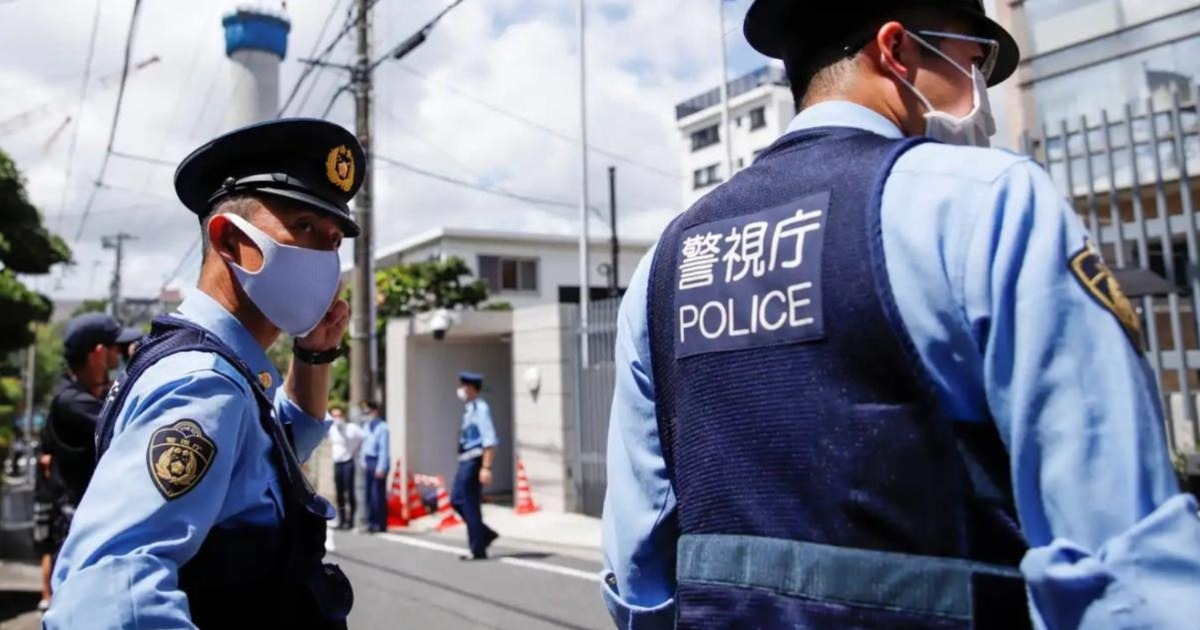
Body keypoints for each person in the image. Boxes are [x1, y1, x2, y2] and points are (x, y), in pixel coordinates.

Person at [600, 1, 1200, 628]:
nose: (979, 90)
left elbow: (637, 567)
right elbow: (1121, 556)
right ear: (898, 50)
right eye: (974, 60)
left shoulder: (666, 264)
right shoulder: (989, 205)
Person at [44, 118, 362, 629]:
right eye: (303, 227)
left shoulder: (225, 373)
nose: (324, 258)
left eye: (332, 240)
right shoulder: (203, 385)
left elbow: (270, 452)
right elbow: (108, 596)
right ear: (230, 241)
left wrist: (313, 354)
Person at [33, 313, 139, 612]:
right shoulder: (71, 401)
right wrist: (138, 366)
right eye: (115, 348)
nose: (120, 355)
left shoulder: (80, 396)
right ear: (97, 353)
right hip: (82, 523)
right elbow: (128, 425)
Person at [450, 371, 499, 560]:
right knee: (458, 500)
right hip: (465, 460)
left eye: (463, 386)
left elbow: (489, 439)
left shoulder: (480, 408)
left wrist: (486, 467)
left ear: (470, 388)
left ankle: (478, 547)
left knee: (468, 503)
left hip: (474, 460)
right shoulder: (469, 409)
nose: (461, 390)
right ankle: (483, 535)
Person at [328, 405, 364, 529]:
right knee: (339, 493)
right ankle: (342, 519)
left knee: (349, 492)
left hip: (348, 462)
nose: (336, 418)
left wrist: (355, 451)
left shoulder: (351, 428)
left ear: (343, 416)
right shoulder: (331, 428)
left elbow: (362, 438)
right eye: (334, 415)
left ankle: (351, 520)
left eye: (339, 415)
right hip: (337, 463)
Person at [359, 400, 391, 533]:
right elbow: (364, 446)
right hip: (369, 461)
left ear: (376, 411)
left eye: (368, 412)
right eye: (365, 412)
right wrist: (363, 461)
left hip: (378, 461)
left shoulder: (382, 427)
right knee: (368, 495)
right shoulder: (367, 426)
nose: (366, 414)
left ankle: (380, 523)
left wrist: (381, 467)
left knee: (377, 495)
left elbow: (384, 449)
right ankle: (371, 522)